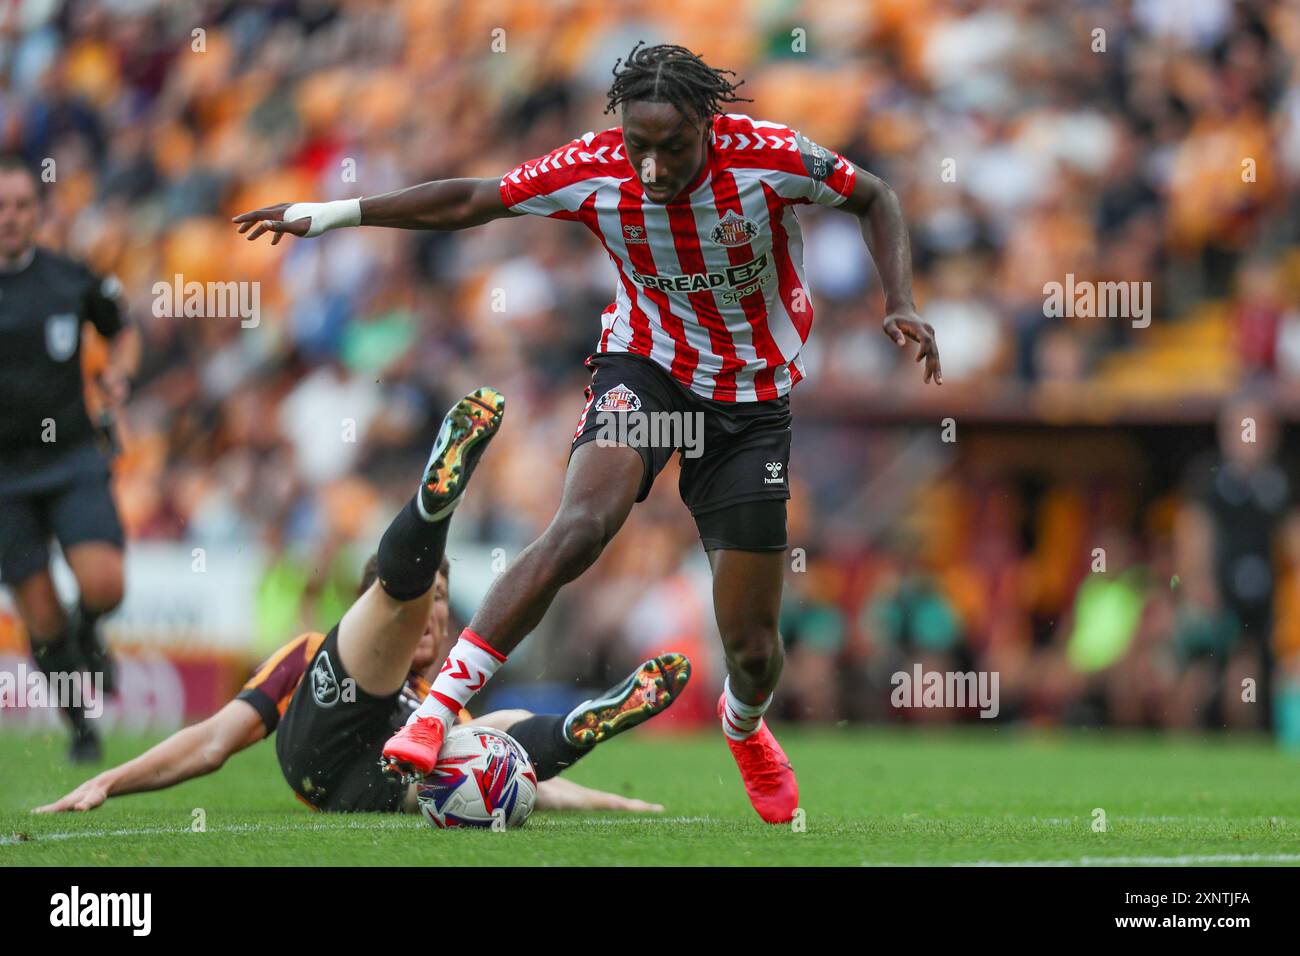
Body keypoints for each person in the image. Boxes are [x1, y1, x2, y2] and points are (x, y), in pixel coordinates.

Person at [233, 43, 940, 823]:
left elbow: (876, 196)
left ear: (708, 128)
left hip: (749, 403)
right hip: (649, 369)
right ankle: (438, 710)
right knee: (579, 527)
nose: (652, 167)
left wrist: (899, 299)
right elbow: (473, 198)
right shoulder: (594, 166)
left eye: (672, 148)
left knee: (751, 647)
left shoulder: (769, 156)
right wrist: (331, 214)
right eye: (639, 146)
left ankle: (744, 727)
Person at [36, 388, 691, 815]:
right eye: (431, 600)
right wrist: (108, 781)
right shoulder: (307, 655)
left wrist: (619, 805)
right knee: (405, 623)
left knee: (492, 730)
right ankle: (431, 510)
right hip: (320, 749)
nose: (437, 616)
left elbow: (531, 784)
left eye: (441, 603)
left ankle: (578, 725)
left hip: (380, 785)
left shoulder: (443, 703)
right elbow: (212, 742)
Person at [0, 153, 139, 763]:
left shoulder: (69, 279)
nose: (9, 218)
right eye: (0, 208)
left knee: (104, 586)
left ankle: (91, 628)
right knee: (40, 615)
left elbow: (122, 328)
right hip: (4, 479)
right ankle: (80, 725)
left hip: (73, 456)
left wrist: (116, 378)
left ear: (38, 211)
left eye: (21, 206)